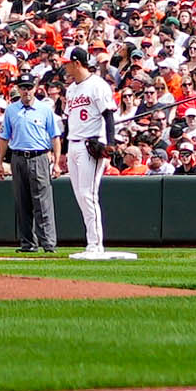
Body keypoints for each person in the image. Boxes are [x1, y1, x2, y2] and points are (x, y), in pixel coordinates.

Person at [62, 55, 132, 259]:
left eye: (67, 62)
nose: (64, 66)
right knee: (80, 195)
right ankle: (91, 241)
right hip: (74, 144)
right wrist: (66, 151)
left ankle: (95, 244)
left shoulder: (97, 85)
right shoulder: (72, 88)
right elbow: (70, 121)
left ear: (77, 63)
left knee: (88, 194)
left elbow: (108, 115)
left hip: (90, 145)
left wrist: (110, 143)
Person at [0, 73, 63, 253]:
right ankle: (28, 243)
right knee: (22, 202)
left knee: (42, 202)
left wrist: (57, 163)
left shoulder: (44, 109)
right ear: (18, 89)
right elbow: (4, 138)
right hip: (18, 157)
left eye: (29, 87)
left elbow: (55, 137)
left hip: (39, 156)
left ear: (35, 89)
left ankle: (49, 244)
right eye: (23, 87)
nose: (26, 91)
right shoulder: (12, 110)